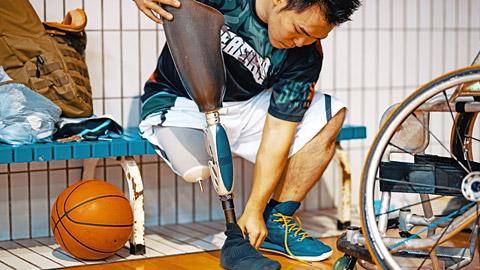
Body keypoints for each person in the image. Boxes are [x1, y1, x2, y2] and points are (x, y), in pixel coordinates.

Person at [134, 0, 360, 267]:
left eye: (313, 37)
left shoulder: (307, 54)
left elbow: (279, 131)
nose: (301, 42)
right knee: (197, 169)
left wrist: (254, 208)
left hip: (246, 106)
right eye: (299, 30)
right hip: (182, 100)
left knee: (330, 115)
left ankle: (276, 221)